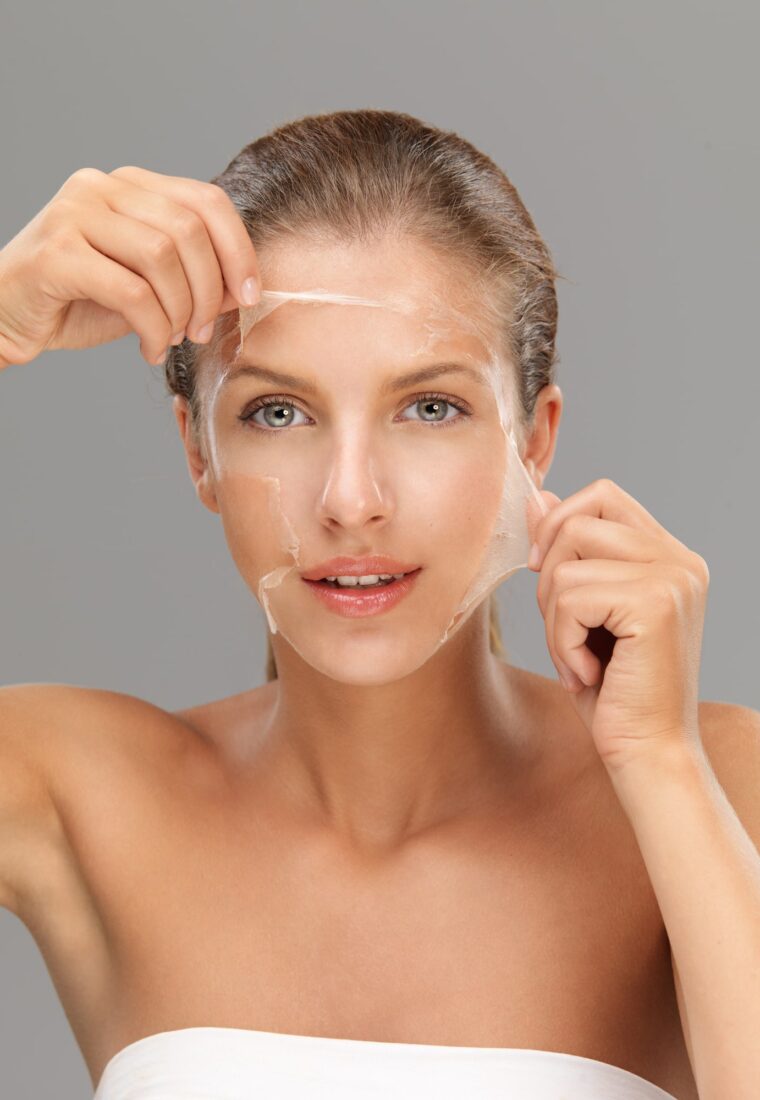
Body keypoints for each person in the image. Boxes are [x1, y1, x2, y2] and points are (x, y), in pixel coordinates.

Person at [0, 109, 751, 1100]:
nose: (351, 497)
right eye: (277, 410)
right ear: (198, 451)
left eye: (428, 406)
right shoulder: (67, 788)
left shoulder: (721, 783)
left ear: (532, 440)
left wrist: (658, 764)